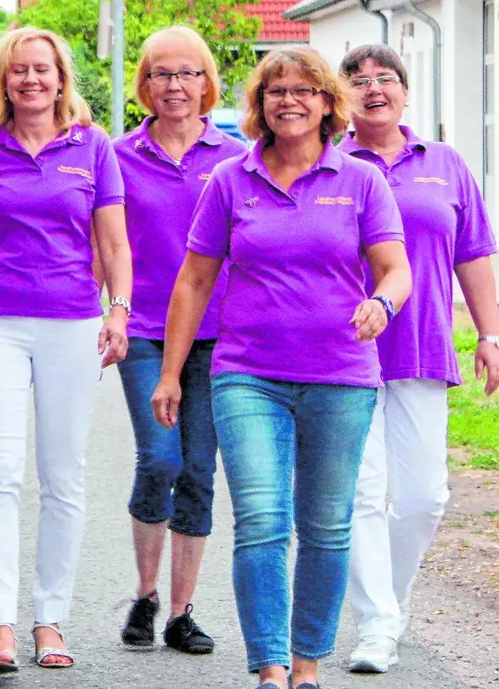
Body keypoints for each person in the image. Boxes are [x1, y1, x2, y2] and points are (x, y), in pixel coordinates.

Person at [153, 46, 411, 689]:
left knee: (325, 526)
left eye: (302, 90)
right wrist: (169, 374)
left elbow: (395, 269)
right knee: (263, 520)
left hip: (341, 376)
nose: (288, 101)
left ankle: (307, 666)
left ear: (328, 102)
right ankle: (269, 669)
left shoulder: (360, 180)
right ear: (259, 106)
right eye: (275, 92)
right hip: (249, 375)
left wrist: (381, 302)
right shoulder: (230, 182)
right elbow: (193, 282)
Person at [0, 26, 133, 675]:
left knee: (63, 475)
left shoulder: (93, 147)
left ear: (60, 76)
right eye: (19, 70)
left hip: (72, 323)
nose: (31, 80)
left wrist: (119, 309)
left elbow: (114, 244)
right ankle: (1, 626)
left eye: (42, 69)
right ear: (3, 80)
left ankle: (50, 617)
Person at [337, 44, 499, 674]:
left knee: (424, 497)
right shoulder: (329, 163)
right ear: (341, 95)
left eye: (386, 78)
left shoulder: (445, 164)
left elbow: (474, 254)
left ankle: (391, 602)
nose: (373, 87)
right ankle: (377, 624)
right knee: (362, 493)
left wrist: (491, 334)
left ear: (407, 92)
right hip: (343, 353)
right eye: (358, 79)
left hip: (423, 347)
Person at [113, 25, 244, 655]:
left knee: (198, 467)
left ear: (207, 83)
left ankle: (182, 612)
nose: (175, 86)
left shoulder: (236, 156)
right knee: (159, 458)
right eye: (162, 73)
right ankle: (144, 594)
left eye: (188, 73)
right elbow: (101, 244)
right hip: (144, 329)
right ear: (145, 83)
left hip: (221, 335)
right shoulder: (117, 155)